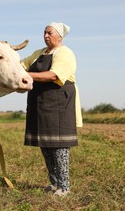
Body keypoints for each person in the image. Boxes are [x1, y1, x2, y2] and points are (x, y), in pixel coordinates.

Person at [21, 22, 83, 197]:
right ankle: (54, 183)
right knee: (46, 144)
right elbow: (21, 65)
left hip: (58, 103)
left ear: (59, 37)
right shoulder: (38, 53)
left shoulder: (65, 53)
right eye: (44, 32)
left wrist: (26, 75)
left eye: (49, 33)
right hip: (39, 103)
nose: (45, 35)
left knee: (59, 146)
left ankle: (65, 186)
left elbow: (54, 75)